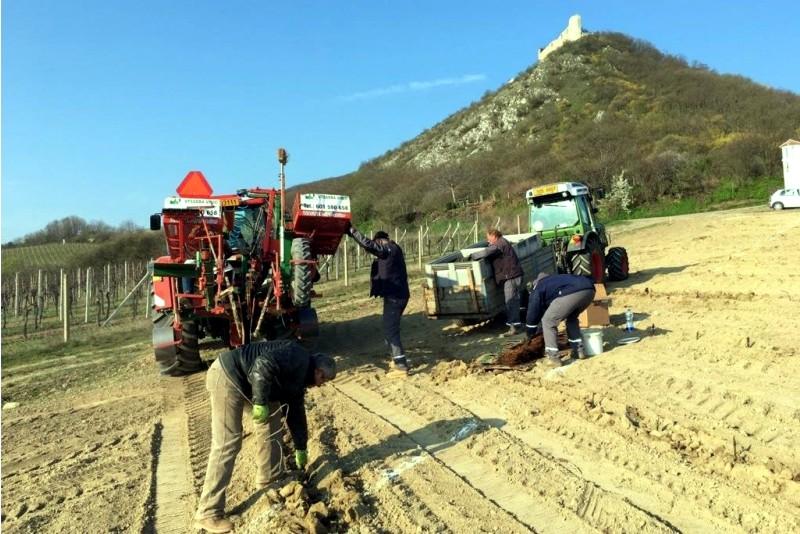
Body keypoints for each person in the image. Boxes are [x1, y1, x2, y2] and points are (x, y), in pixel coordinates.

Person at [193, 340, 336, 533]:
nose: (320, 386)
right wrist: (260, 402)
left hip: (248, 382)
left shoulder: (299, 377)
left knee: (272, 417)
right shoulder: (297, 357)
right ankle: (208, 512)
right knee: (228, 442)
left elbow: (296, 414)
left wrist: (301, 447)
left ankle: (270, 477)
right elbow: (263, 364)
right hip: (227, 376)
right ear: (319, 372)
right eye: (323, 381)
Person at [346, 224, 412, 375]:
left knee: (391, 331)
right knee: (389, 328)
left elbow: (369, 245)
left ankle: (401, 365)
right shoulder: (393, 250)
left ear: (381, 240)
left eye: (377, 243)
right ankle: (396, 359)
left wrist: (352, 232)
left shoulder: (389, 248)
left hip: (395, 296)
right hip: (396, 295)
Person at [525, 272, 596, 367]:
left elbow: (532, 312)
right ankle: (579, 351)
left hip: (572, 292)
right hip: (589, 289)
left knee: (548, 321)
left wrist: (530, 333)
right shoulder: (555, 281)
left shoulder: (538, 286)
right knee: (572, 319)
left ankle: (553, 358)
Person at [469, 229, 525, 336]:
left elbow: (487, 252)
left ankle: (514, 328)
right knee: (513, 302)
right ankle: (517, 325)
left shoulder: (500, 243)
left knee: (510, 302)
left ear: (494, 236)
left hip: (511, 277)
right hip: (512, 276)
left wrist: (473, 256)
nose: (488, 240)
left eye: (488, 238)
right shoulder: (502, 242)